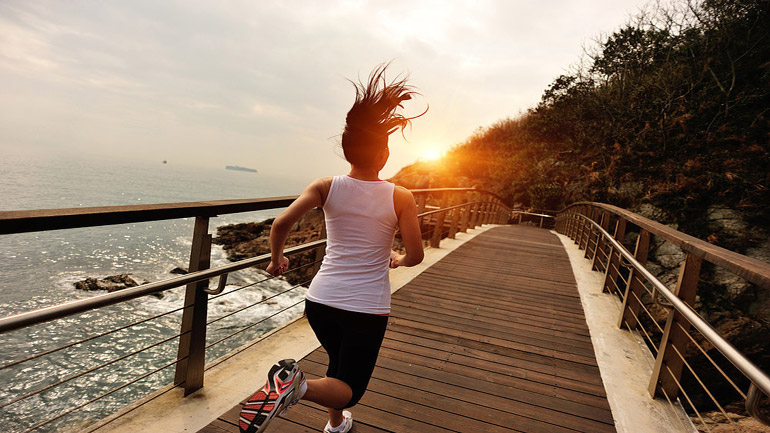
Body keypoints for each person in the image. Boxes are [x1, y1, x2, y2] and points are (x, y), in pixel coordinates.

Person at [239, 64, 426, 433]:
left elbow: (280, 224)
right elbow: (416, 255)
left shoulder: (326, 185)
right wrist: (398, 258)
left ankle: (336, 425)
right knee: (350, 388)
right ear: (385, 155)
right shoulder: (400, 196)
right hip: (365, 309)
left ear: (346, 152)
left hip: (320, 301)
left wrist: (278, 259)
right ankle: (297, 387)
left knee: (337, 362)